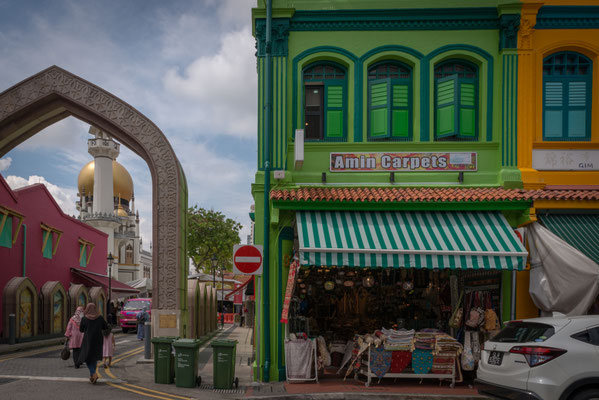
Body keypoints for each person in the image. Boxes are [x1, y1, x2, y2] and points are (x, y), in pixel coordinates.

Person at [77, 303, 108, 384]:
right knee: (93, 358)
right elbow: (106, 327)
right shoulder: (100, 318)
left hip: (88, 340)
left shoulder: (84, 319)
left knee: (87, 358)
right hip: (98, 340)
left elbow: (81, 330)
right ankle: (92, 376)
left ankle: (93, 373)